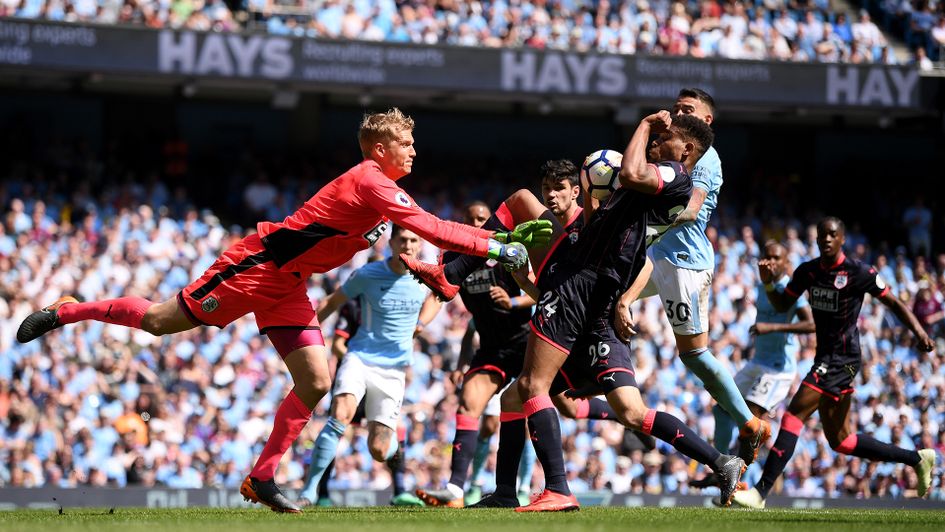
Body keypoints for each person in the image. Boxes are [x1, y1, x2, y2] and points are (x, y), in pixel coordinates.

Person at [15, 108, 549, 513]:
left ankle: (262, 477)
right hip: (256, 267)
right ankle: (70, 311)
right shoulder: (372, 180)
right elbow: (431, 227)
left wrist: (463, 256)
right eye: (406, 143)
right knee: (158, 322)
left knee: (316, 381)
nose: (414, 150)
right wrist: (496, 246)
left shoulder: (379, 189)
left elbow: (398, 237)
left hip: (289, 283)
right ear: (380, 148)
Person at [511, 112, 747, 512]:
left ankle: (556, 489)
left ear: (686, 150)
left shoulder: (674, 175)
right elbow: (613, 225)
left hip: (588, 293)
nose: (656, 142)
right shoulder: (639, 196)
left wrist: (643, 124)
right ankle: (722, 461)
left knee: (531, 387)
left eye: (666, 138)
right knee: (630, 412)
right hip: (600, 299)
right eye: (655, 136)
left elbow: (633, 174)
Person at [417, 165, 621, 508]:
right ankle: (469, 490)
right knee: (478, 402)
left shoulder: (511, 246)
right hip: (492, 346)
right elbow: (446, 304)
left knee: (568, 406)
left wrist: (512, 300)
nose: (479, 224)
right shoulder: (469, 257)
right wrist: (422, 326)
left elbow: (541, 290)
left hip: (529, 337)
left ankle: (615, 419)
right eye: (472, 220)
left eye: (483, 219)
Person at [733, 217, 937, 509]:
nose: (827, 239)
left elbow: (893, 302)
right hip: (824, 357)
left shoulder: (859, 272)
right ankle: (917, 458)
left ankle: (760, 492)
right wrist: (768, 284)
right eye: (822, 235)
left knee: (793, 415)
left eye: (832, 234)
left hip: (845, 359)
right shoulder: (808, 271)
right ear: (817, 240)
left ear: (842, 239)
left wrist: (919, 332)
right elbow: (782, 304)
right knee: (842, 441)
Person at [641, 88, 771, 468]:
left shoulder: (707, 158)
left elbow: (692, 209)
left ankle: (750, 424)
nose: (679, 112)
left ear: (706, 120)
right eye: (677, 107)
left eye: (689, 109)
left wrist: (645, 223)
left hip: (684, 263)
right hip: (657, 255)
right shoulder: (670, 147)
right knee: (608, 293)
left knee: (694, 354)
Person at [300, 224, 437, 507]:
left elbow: (439, 297)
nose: (408, 245)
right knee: (340, 415)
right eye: (403, 240)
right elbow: (332, 301)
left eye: (414, 240)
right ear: (392, 243)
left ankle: (395, 451)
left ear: (420, 245)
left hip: (394, 370)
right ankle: (309, 492)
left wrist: (422, 323)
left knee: (379, 450)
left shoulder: (427, 277)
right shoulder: (368, 274)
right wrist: (302, 335)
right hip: (359, 358)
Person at [690, 240, 814, 488]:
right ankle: (721, 467)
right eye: (767, 256)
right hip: (757, 362)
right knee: (721, 409)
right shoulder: (761, 286)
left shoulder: (791, 290)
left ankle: (736, 480)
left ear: (786, 263)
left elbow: (810, 324)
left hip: (778, 369)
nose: (771, 262)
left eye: (777, 258)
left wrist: (773, 327)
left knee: (749, 422)